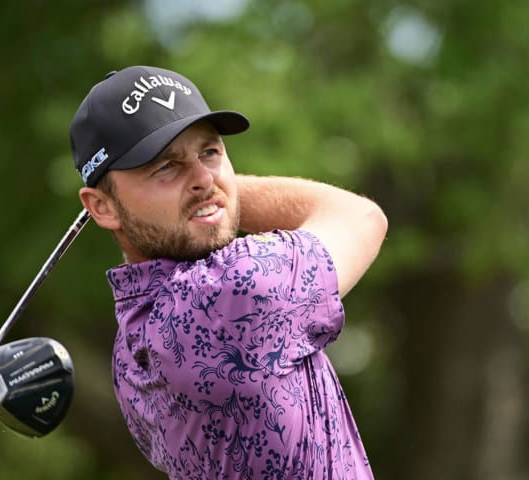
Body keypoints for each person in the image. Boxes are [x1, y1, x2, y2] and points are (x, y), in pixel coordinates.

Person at [69, 65, 387, 479]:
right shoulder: (233, 289)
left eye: (210, 152)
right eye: (165, 166)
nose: (203, 177)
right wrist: (218, 194)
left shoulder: (129, 347)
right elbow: (361, 216)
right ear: (101, 207)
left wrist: (198, 196)